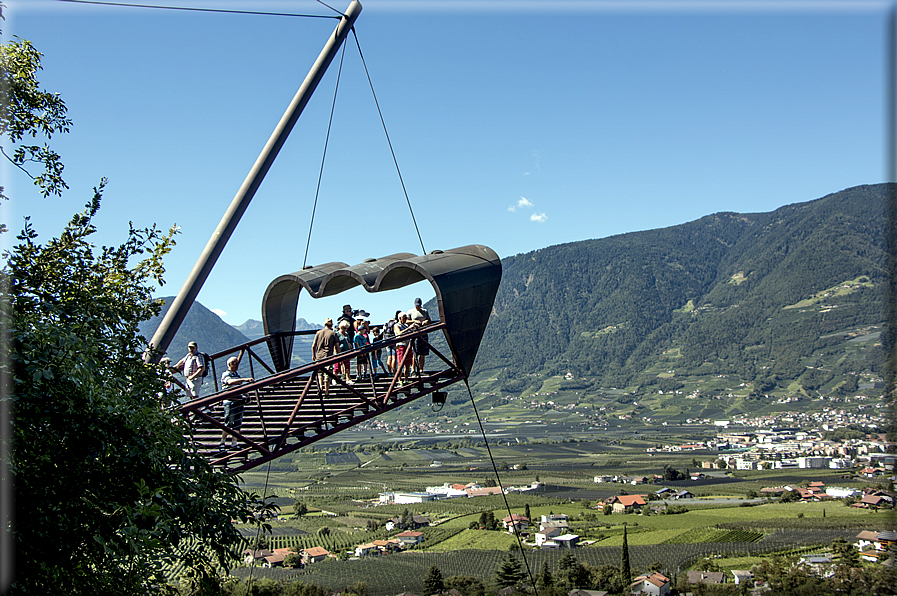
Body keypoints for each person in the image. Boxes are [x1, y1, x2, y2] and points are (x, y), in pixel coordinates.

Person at [218, 357, 254, 452]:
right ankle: (222, 442)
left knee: (237, 424)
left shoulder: (236, 375)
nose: (236, 365)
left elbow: (239, 386)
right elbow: (229, 382)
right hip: (230, 402)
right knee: (228, 423)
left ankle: (234, 443)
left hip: (239, 401)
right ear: (229, 364)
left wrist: (246, 395)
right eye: (234, 363)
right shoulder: (226, 374)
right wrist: (244, 379)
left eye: (237, 363)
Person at [312, 317, 340, 395]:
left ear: (324, 324)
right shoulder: (333, 334)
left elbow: (313, 346)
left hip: (319, 355)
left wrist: (313, 355)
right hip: (328, 355)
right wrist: (339, 356)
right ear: (331, 325)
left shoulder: (318, 333)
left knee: (320, 373)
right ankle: (326, 391)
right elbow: (337, 347)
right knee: (327, 373)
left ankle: (320, 387)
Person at [407, 297, 431, 376]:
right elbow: (406, 321)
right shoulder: (410, 312)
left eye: (419, 305)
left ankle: (421, 370)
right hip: (415, 334)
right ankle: (413, 370)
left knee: (423, 353)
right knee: (415, 353)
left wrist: (426, 322)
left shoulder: (425, 311)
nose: (418, 307)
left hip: (423, 333)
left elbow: (429, 320)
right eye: (417, 305)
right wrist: (414, 321)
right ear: (414, 304)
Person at [393, 312, 417, 383]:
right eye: (404, 318)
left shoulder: (406, 325)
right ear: (400, 318)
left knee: (408, 364)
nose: (406, 319)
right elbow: (399, 333)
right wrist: (408, 328)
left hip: (407, 345)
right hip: (400, 345)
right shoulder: (396, 325)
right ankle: (399, 380)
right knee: (401, 363)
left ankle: (406, 379)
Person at [353, 317, 372, 381]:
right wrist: (359, 351)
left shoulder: (363, 336)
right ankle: (359, 374)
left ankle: (365, 373)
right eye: (364, 330)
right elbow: (357, 344)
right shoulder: (357, 336)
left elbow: (365, 343)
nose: (365, 331)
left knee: (365, 362)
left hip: (364, 350)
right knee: (359, 363)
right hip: (360, 352)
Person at [335, 320, 354, 384]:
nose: (345, 329)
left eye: (346, 328)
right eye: (344, 328)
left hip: (347, 352)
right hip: (340, 352)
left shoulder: (346, 334)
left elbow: (349, 341)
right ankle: (334, 378)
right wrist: (337, 353)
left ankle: (348, 379)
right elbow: (336, 344)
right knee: (337, 366)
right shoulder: (337, 334)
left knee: (347, 366)